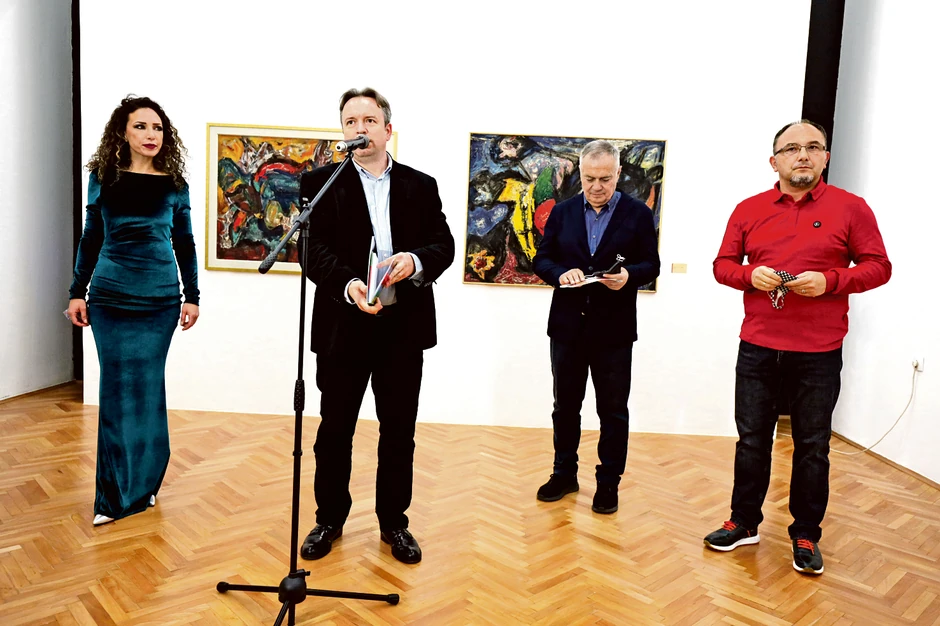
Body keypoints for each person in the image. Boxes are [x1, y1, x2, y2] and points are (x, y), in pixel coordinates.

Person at [707, 119, 891, 575]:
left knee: (812, 445)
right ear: (775, 162)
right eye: (791, 148)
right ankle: (743, 522)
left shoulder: (852, 208)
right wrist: (749, 274)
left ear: (825, 157)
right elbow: (722, 265)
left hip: (819, 351)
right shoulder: (748, 209)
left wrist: (831, 281)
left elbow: (878, 267)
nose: (802, 155)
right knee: (752, 440)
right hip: (757, 346)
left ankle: (806, 533)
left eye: (813, 147)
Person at [298, 88, 454, 564]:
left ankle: (394, 523)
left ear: (388, 129)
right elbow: (311, 251)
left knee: (399, 431)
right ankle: (329, 519)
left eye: (368, 120)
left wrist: (414, 260)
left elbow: (443, 244)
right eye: (350, 122)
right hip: (343, 325)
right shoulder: (319, 183)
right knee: (334, 430)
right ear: (342, 131)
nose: (359, 129)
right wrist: (349, 285)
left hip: (402, 326)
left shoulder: (420, 185)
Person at [67, 95, 200, 526]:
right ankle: (112, 497)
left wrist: (192, 295)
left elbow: (184, 241)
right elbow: (91, 236)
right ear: (122, 132)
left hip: (159, 299)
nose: (150, 134)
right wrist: (77, 291)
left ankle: (145, 483)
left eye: (157, 127)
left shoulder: (174, 184)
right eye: (141, 126)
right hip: (110, 297)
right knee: (115, 392)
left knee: (147, 390)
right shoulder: (103, 178)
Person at [532, 140, 660, 514]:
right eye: (590, 179)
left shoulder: (638, 214)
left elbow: (651, 264)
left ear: (618, 173)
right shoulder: (562, 212)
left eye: (605, 178)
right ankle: (563, 474)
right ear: (581, 174)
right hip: (567, 328)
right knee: (565, 407)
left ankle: (608, 483)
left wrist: (628, 275)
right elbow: (542, 260)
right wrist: (560, 274)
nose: (597, 186)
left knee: (613, 411)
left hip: (614, 331)